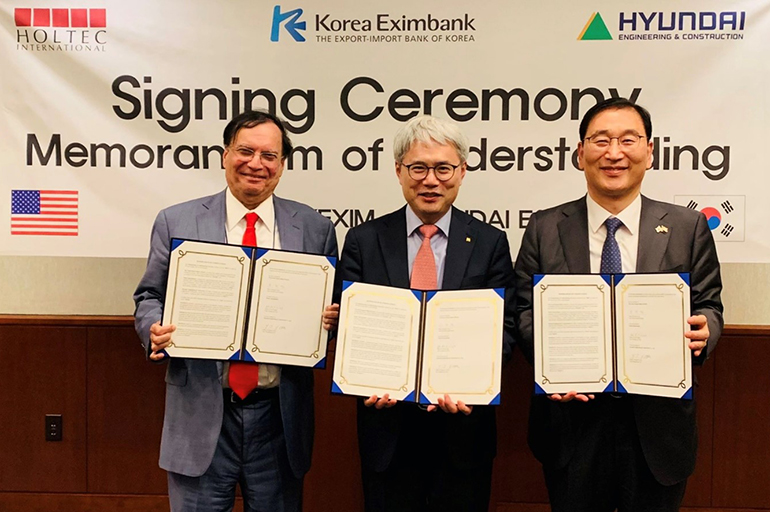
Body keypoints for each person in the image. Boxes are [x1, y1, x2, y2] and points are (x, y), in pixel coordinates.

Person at [514, 97, 723, 512]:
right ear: (580, 153)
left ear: (649, 152)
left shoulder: (687, 227)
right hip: (571, 424)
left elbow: (710, 307)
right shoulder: (544, 227)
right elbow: (524, 312)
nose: (614, 153)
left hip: (657, 426)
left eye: (628, 140)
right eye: (600, 140)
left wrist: (706, 332)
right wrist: (550, 364)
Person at [133, 110, 338, 512]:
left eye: (269, 155)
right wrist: (153, 327)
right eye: (245, 151)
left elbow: (330, 312)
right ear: (225, 154)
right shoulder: (177, 220)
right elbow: (148, 296)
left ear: (282, 165)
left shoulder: (315, 229)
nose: (256, 164)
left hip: (278, 418)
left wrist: (330, 322)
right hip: (202, 412)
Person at [335, 115, 516, 512]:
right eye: (418, 168)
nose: (430, 180)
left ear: (462, 172)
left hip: (463, 428)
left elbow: (504, 328)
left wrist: (472, 381)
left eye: (443, 168)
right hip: (387, 427)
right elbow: (348, 329)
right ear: (399, 170)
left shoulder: (490, 243)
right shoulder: (364, 242)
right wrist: (366, 378)